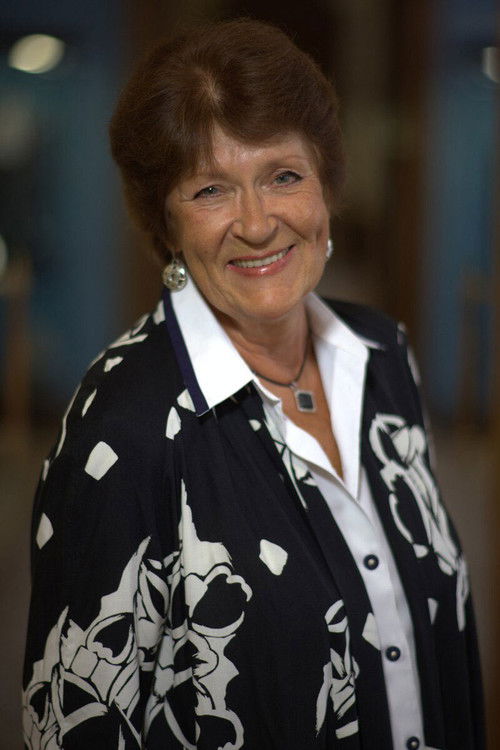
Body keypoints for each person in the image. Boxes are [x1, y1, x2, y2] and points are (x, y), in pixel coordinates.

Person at [22, 18, 484, 750]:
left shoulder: (383, 354)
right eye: (211, 190)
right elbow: (74, 720)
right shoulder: (121, 426)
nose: (257, 223)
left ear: (326, 185)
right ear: (167, 225)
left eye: (283, 176)